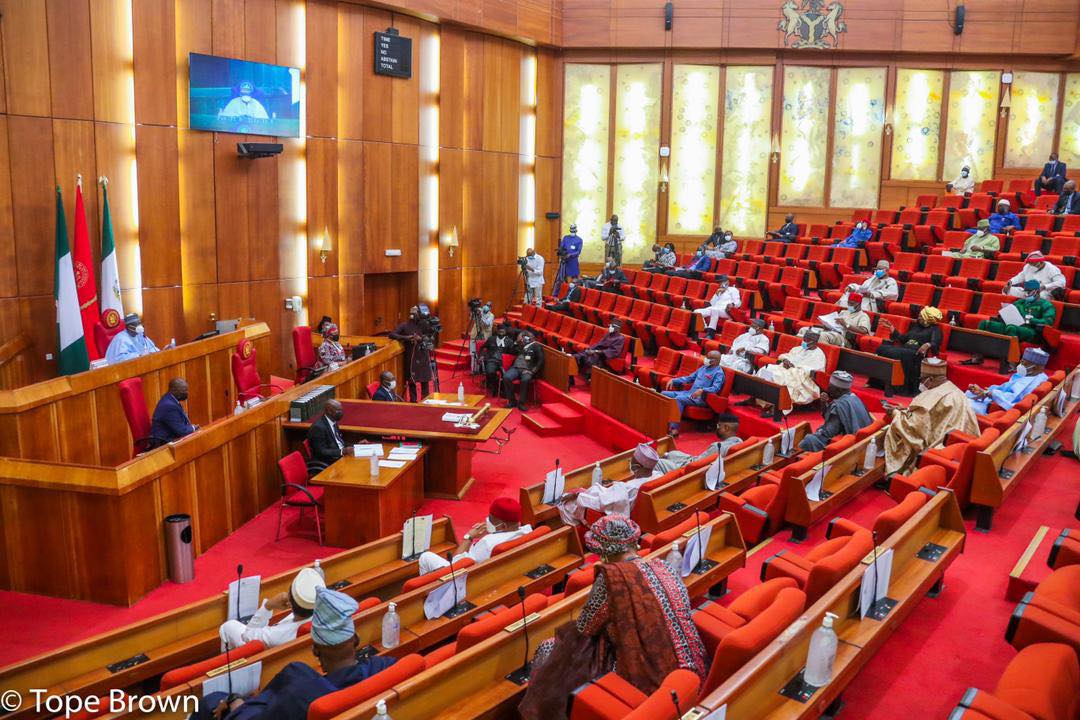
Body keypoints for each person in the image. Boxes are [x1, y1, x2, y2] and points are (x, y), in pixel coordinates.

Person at [519, 515, 706, 720]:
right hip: (692, 670)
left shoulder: (613, 578)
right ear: (634, 542)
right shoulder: (665, 567)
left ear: (604, 553)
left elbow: (586, 627)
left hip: (648, 676)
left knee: (549, 649)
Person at [195, 587, 395, 720]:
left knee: (212, 702)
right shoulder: (385, 667)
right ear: (356, 640)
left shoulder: (300, 687)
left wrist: (234, 702)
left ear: (315, 649)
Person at [882, 358, 978, 476]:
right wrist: (907, 411)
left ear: (931, 379)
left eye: (922, 380)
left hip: (940, 447)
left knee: (895, 431)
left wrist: (895, 413)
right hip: (960, 443)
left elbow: (914, 427)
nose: (921, 383)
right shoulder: (954, 390)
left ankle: (896, 473)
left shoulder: (934, 397)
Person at [219, 567, 324, 651]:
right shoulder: (324, 614)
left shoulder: (274, 635)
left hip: (268, 658)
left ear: (290, 600)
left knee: (228, 626)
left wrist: (268, 606)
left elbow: (247, 636)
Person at [417, 498, 532, 574]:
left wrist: (469, 537)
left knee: (425, 557)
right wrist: (494, 532)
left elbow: (456, 565)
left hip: (471, 580)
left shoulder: (488, 543)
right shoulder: (527, 531)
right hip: (507, 572)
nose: (487, 521)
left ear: (503, 526)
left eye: (491, 519)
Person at [556, 444, 662, 525]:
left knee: (567, 504)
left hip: (610, 512)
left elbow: (600, 502)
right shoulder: (658, 476)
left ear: (637, 466)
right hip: (641, 513)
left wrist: (578, 495)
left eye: (632, 460)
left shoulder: (629, 488)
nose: (630, 461)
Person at [753, 330, 827, 413]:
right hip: (786, 369)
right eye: (804, 339)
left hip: (802, 377)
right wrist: (785, 360)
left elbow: (815, 371)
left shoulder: (819, 354)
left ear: (814, 342)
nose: (804, 342)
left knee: (779, 378)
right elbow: (785, 356)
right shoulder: (798, 349)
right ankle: (757, 398)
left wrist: (795, 367)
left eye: (807, 340)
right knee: (765, 370)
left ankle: (778, 407)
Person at [798, 371, 873, 452]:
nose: (828, 389)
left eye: (830, 387)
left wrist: (817, 433)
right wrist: (824, 404)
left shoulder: (838, 405)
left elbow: (829, 432)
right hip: (864, 438)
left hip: (850, 445)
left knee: (809, 440)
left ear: (839, 390)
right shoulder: (854, 397)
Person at [876, 307, 943, 395]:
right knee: (882, 348)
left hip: (916, 353)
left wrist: (928, 344)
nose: (918, 318)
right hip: (905, 348)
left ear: (928, 318)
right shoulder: (916, 327)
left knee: (893, 353)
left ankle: (895, 387)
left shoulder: (935, 329)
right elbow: (903, 339)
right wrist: (892, 328)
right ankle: (878, 383)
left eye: (921, 316)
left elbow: (936, 343)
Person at [966, 347, 1050, 415]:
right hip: (993, 399)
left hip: (995, 409)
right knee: (966, 394)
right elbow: (1006, 388)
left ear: (1034, 368)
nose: (1020, 365)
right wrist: (984, 391)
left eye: (1024, 363)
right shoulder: (1030, 374)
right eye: (1021, 361)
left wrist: (989, 393)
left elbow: (1011, 400)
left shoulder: (1032, 383)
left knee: (959, 402)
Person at [653, 414, 743, 474]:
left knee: (656, 462)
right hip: (702, 466)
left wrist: (675, 461)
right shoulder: (739, 442)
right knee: (672, 453)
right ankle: (668, 455)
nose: (717, 428)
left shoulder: (717, 447)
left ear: (726, 428)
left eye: (718, 426)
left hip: (690, 473)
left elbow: (695, 465)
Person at [662, 351, 725, 434]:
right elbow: (689, 378)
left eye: (708, 358)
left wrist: (703, 390)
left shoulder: (719, 373)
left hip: (701, 398)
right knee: (663, 394)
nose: (705, 359)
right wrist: (674, 380)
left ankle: (674, 429)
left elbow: (715, 388)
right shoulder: (703, 368)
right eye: (706, 357)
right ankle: (661, 420)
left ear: (716, 361)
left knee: (678, 399)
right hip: (689, 393)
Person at [976, 279, 1056, 344]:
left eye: (1028, 292)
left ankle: (1012, 361)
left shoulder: (1046, 305)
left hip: (1031, 330)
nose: (1026, 294)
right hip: (1011, 325)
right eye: (1025, 291)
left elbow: (1048, 322)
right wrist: (1003, 315)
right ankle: (977, 356)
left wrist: (1030, 320)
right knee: (984, 324)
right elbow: (1010, 312)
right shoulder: (1020, 302)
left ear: (1037, 292)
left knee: (1011, 328)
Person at [388, 307, 434, 402]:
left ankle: (425, 401)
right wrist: (407, 338)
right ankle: (413, 402)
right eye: (415, 313)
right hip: (411, 358)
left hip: (423, 356)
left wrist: (420, 339)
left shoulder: (424, 325)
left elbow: (430, 338)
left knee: (424, 381)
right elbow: (392, 334)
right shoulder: (404, 325)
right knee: (412, 382)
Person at [797, 293, 870, 348]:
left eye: (852, 303)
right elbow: (836, 324)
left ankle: (822, 354)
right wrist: (827, 325)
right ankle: (802, 351)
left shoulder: (863, 316)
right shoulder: (844, 312)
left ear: (859, 304)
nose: (849, 305)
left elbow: (864, 330)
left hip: (845, 337)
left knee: (822, 336)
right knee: (804, 330)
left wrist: (846, 325)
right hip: (832, 332)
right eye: (848, 303)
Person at [147, 378, 198, 448]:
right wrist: (193, 428)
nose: (186, 393)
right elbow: (181, 431)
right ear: (173, 390)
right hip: (163, 444)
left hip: (170, 439)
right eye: (183, 391)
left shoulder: (169, 399)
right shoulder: (169, 406)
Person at [502, 331, 544, 409]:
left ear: (533, 338)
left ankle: (521, 403)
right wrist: (517, 341)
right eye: (524, 337)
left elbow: (540, 360)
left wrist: (532, 371)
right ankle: (512, 401)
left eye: (528, 336)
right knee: (506, 377)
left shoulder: (536, 346)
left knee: (525, 380)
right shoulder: (521, 346)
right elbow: (509, 350)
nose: (526, 338)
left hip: (527, 369)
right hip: (516, 368)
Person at [693, 275, 741, 339]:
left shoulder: (733, 290)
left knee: (714, 310)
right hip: (715, 308)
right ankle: (706, 328)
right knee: (696, 312)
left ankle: (711, 333)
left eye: (722, 282)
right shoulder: (718, 290)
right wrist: (717, 294)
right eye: (719, 282)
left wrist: (732, 304)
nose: (720, 283)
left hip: (726, 311)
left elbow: (738, 302)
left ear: (727, 282)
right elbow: (712, 303)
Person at [307, 399, 346, 471]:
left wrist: (355, 446)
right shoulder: (318, 428)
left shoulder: (333, 421)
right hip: (328, 463)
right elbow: (321, 451)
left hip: (339, 457)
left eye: (341, 410)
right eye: (338, 410)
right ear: (329, 411)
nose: (341, 413)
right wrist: (341, 452)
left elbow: (338, 442)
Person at [482, 323, 517, 394]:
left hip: (504, 362)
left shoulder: (509, 341)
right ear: (497, 331)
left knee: (506, 374)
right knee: (490, 371)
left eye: (503, 332)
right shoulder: (491, 339)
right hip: (492, 360)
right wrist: (482, 355)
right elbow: (483, 348)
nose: (501, 333)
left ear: (505, 332)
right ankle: (495, 387)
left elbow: (513, 353)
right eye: (500, 331)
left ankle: (504, 390)